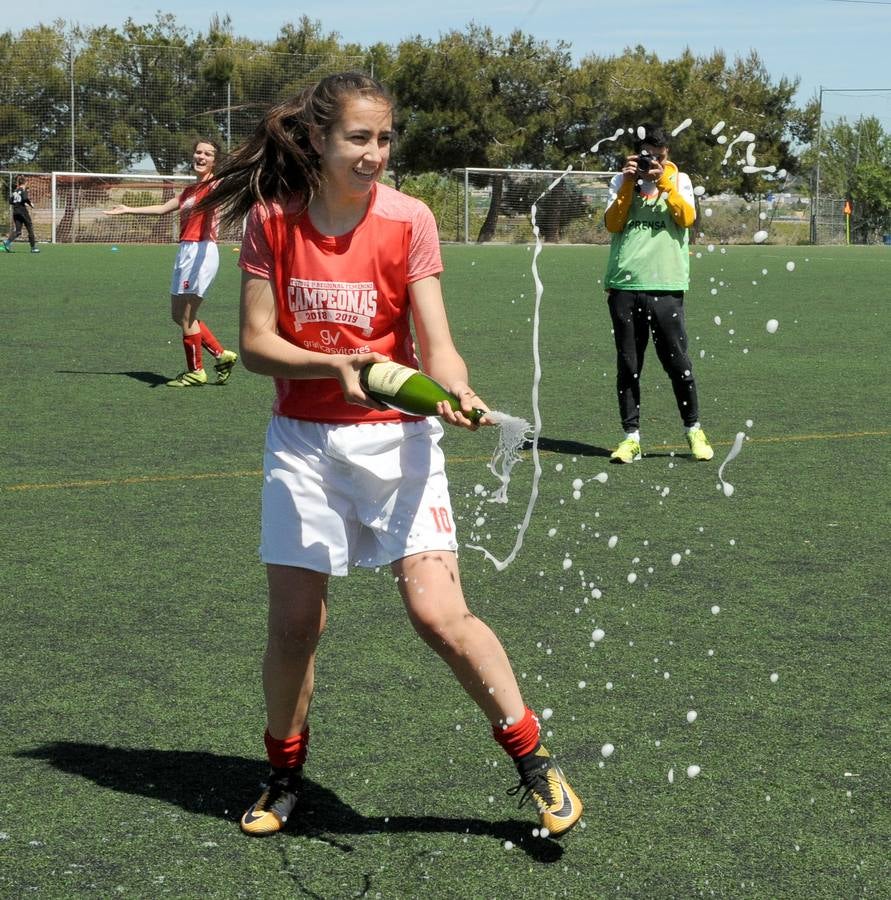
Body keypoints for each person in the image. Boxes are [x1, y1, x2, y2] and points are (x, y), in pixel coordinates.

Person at [201, 72, 583, 838]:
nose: (375, 154)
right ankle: (282, 775)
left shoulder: (408, 218)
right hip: (303, 445)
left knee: (439, 615)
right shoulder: (272, 222)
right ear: (316, 139)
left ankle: (534, 761)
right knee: (295, 628)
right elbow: (253, 345)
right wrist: (330, 367)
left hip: (400, 440)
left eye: (384, 138)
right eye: (358, 139)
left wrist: (458, 394)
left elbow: (437, 347)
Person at [602, 124, 713, 463]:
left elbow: (687, 218)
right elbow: (613, 224)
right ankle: (630, 438)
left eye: (662, 157)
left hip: (666, 285)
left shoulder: (679, 180)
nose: (656, 162)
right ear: (637, 153)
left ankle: (694, 430)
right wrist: (630, 184)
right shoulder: (623, 181)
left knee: (678, 363)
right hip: (625, 285)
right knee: (629, 364)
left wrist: (663, 180)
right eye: (650, 156)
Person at [105, 139, 237, 387]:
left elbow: (230, 183)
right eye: (198, 152)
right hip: (185, 251)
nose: (201, 156)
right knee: (179, 315)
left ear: (214, 162)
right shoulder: (189, 191)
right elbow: (163, 208)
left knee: (187, 317)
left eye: (208, 154)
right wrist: (127, 209)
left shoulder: (215, 186)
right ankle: (222, 355)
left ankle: (196, 372)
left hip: (201, 252)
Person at [2, 175, 40, 253]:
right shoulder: (23, 189)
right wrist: (30, 204)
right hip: (22, 212)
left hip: (15, 212)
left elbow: (10, 201)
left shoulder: (15, 191)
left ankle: (7, 242)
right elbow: (25, 198)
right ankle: (33, 248)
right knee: (30, 228)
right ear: (25, 183)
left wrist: (20, 203)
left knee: (18, 231)